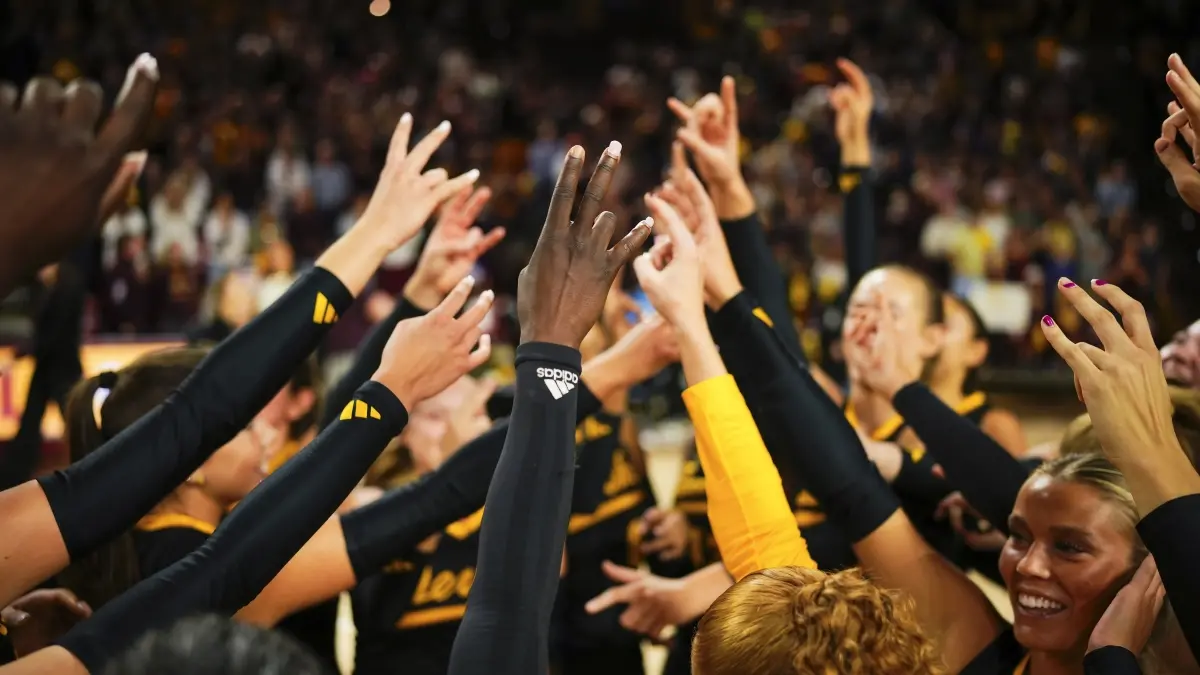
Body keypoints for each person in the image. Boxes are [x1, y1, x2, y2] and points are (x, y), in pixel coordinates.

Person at [445, 141, 652, 675]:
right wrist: (552, 350)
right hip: (558, 645)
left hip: (617, 644)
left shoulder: (618, 418)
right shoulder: (532, 418)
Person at [0, 262, 87, 490]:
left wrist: (28, 349)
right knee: (31, 421)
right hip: (47, 366)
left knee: (74, 419)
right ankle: (12, 476)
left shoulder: (68, 288)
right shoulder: (46, 289)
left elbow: (57, 332)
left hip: (62, 367)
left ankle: (97, 465)